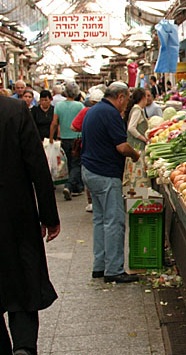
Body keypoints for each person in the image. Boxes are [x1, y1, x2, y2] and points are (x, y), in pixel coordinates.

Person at [0, 35, 60, 355]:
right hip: (16, 216)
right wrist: (49, 217)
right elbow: (38, 168)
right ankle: (25, 348)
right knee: (23, 282)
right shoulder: (14, 110)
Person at [81, 82, 141, 283]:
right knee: (114, 221)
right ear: (121, 97)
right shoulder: (111, 113)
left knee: (100, 220)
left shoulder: (93, 110)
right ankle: (114, 269)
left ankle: (99, 266)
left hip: (89, 171)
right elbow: (122, 147)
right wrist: (135, 155)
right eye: (126, 100)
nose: (125, 105)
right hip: (105, 173)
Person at [49, 82, 85, 200]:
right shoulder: (80, 106)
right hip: (77, 138)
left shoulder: (59, 106)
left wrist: (51, 138)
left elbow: (54, 123)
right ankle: (69, 186)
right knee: (77, 163)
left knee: (70, 163)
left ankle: (77, 187)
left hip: (64, 138)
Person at [123, 88, 151, 189]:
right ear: (143, 98)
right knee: (138, 176)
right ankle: (139, 198)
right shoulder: (137, 110)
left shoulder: (137, 109)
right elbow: (131, 127)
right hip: (137, 148)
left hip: (135, 147)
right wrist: (143, 138)